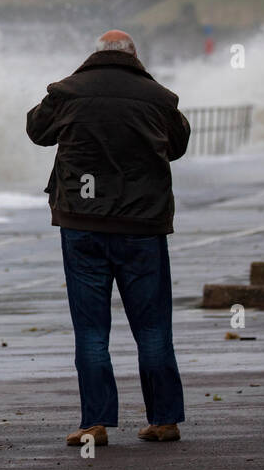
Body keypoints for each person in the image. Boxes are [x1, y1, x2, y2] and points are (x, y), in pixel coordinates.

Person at [26, 30, 190, 447]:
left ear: (93, 56)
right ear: (134, 57)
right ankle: (165, 420)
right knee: (152, 329)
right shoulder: (158, 96)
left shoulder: (68, 91)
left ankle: (94, 425)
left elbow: (37, 131)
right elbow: (178, 146)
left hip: (83, 224)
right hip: (142, 228)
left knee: (91, 329)